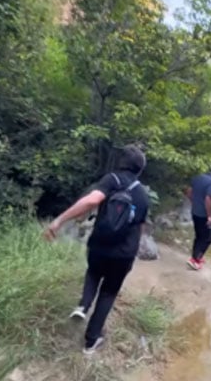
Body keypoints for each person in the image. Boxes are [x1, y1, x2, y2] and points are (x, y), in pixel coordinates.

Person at [44, 145, 149, 355]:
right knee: (109, 292)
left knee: (93, 273)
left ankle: (82, 306)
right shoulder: (143, 194)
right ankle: (91, 341)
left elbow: (92, 200)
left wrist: (59, 221)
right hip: (124, 253)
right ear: (140, 169)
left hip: (100, 246)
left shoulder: (112, 180)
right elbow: (141, 226)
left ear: (121, 162)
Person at [184, 164, 211, 270]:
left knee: (199, 236)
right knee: (207, 238)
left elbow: (189, 191)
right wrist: (209, 216)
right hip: (203, 215)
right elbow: (208, 199)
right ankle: (195, 260)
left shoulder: (198, 177)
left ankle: (196, 257)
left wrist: (194, 202)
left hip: (195, 212)